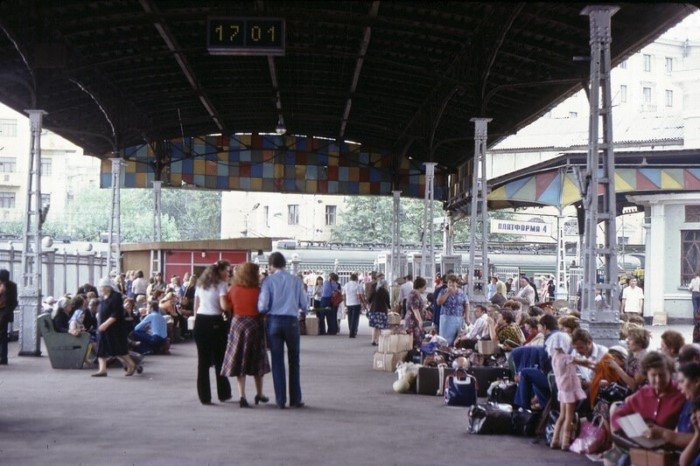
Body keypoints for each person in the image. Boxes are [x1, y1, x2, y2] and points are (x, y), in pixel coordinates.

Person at [605, 352, 686, 466]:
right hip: (638, 441)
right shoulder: (643, 393)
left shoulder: (681, 393)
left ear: (670, 373)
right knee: (610, 458)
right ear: (647, 375)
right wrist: (633, 429)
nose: (657, 380)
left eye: (662, 375)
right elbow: (617, 415)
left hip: (666, 447)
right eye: (653, 375)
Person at [257, 252, 308, 409]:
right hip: (292, 322)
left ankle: (280, 400)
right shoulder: (296, 280)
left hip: (274, 322)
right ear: (284, 264)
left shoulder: (268, 281)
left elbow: (262, 306)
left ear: (271, 265)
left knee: (277, 361)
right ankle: (295, 399)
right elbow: (304, 304)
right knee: (294, 361)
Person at [221, 262, 270, 408]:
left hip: (238, 326)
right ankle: (259, 393)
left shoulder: (233, 289)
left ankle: (242, 396)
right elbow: (263, 309)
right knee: (257, 360)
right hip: (255, 326)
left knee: (239, 359)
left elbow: (227, 307)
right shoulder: (259, 290)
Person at [193, 260, 232, 405]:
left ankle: (204, 397)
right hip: (215, 321)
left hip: (201, 321)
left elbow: (196, 306)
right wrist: (228, 309)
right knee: (219, 359)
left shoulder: (200, 285)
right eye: (226, 271)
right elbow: (223, 306)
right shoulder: (222, 285)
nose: (228, 274)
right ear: (219, 272)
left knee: (202, 362)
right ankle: (223, 393)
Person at [645, 362, 700, 451]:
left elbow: (697, 440)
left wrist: (663, 433)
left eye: (682, 381)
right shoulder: (688, 402)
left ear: (697, 381)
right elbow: (678, 432)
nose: (679, 387)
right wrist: (658, 430)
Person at [92, 277, 138, 377]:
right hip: (103, 328)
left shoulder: (116, 297)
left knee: (118, 349)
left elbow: (116, 314)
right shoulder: (102, 298)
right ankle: (102, 369)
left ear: (108, 287)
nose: (100, 289)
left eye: (102, 287)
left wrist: (105, 324)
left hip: (114, 328)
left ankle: (131, 364)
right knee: (101, 348)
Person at [550, 346, 588, 450]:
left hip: (562, 388)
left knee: (561, 416)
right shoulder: (567, 357)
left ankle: (555, 440)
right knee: (569, 417)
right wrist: (594, 364)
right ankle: (565, 442)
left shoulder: (555, 356)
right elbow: (583, 362)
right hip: (570, 389)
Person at [436, 274, 469, 346]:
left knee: (458, 341)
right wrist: (447, 293)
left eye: (453, 282)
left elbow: (466, 304)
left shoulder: (462, 292)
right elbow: (439, 302)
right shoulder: (443, 291)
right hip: (446, 319)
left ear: (456, 283)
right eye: (449, 282)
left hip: (459, 319)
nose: (451, 284)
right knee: (445, 341)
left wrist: (467, 318)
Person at [0, 269, 18, 365]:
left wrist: (7, 312)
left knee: (3, 335)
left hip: (4, 312)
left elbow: (14, 301)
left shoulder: (12, 286)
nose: (2, 282)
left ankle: (3, 358)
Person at [367, 278, 390, 346]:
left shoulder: (374, 291)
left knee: (375, 326)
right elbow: (387, 302)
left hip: (373, 310)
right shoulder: (385, 292)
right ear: (384, 285)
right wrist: (389, 308)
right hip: (382, 311)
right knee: (380, 327)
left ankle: (373, 340)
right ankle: (378, 341)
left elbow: (369, 300)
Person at [405, 277, 426, 348]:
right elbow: (415, 309)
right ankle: (413, 358)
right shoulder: (415, 294)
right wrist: (420, 321)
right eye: (425, 286)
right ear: (421, 286)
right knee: (415, 342)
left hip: (413, 320)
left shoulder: (414, 293)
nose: (425, 288)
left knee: (414, 342)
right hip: (413, 322)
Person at [343, 273, 364, 339]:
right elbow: (360, 295)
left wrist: (345, 303)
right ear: (356, 279)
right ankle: (352, 332)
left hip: (348, 303)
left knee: (350, 318)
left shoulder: (346, 285)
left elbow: (343, 294)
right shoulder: (358, 285)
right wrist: (363, 303)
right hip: (356, 303)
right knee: (355, 319)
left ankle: (351, 330)